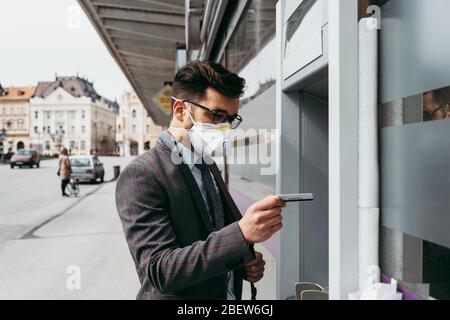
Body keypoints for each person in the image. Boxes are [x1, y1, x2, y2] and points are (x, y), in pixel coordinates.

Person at [115, 60, 286, 300]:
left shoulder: (208, 165)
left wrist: (242, 260)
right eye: (216, 115)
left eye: (231, 118)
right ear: (180, 111)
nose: (224, 126)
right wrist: (240, 235)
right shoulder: (142, 174)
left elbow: (213, 238)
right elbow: (161, 271)